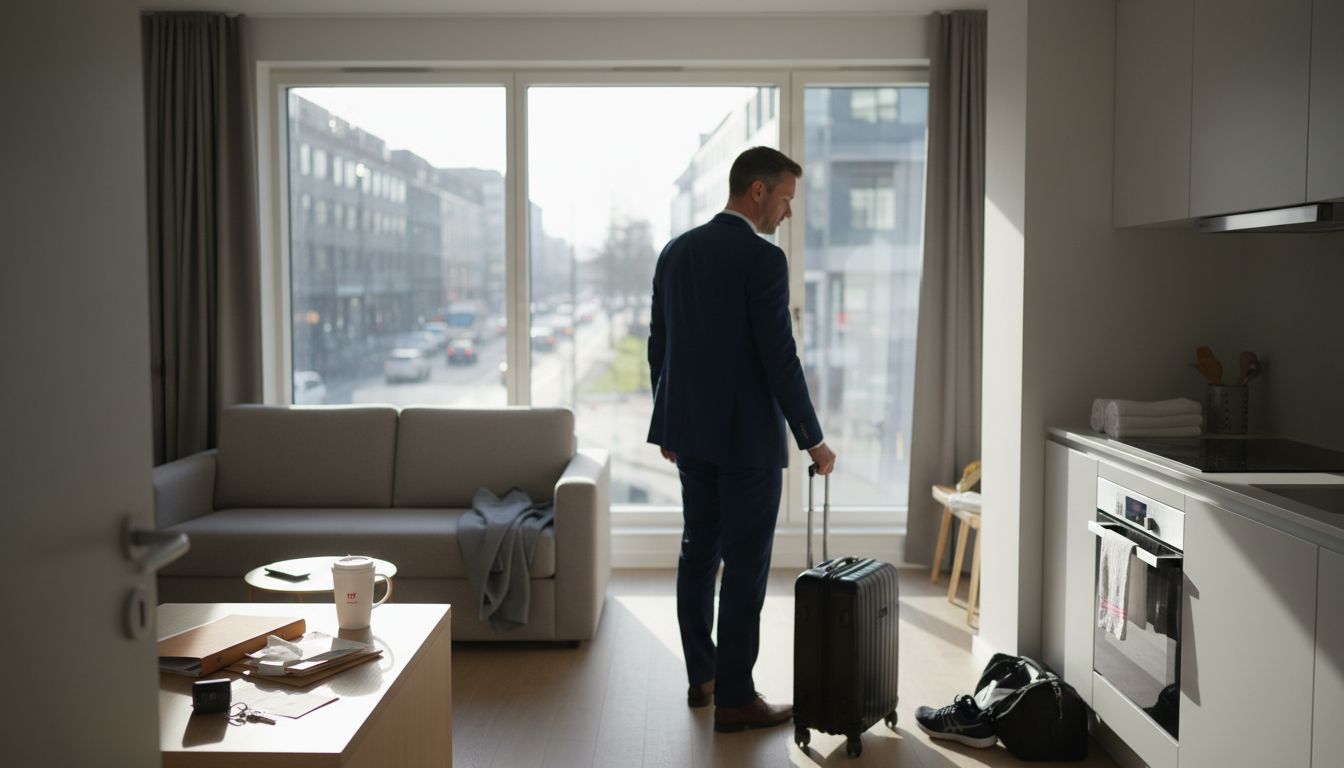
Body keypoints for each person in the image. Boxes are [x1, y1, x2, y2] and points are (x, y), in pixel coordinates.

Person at [647, 146, 837, 733]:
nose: (787, 213)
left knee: (697, 551)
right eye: (785, 199)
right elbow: (780, 357)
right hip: (748, 443)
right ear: (757, 191)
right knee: (747, 567)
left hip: (693, 438)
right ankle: (736, 698)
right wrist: (813, 439)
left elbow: (661, 345)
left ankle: (701, 677)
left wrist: (669, 423)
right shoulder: (762, 260)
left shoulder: (675, 253)